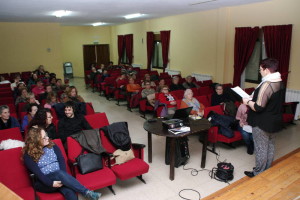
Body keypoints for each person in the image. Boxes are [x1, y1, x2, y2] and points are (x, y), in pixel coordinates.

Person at [23, 127, 101, 200]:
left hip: (60, 177)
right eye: (44, 138)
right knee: (59, 174)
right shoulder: (28, 155)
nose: (47, 138)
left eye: (46, 135)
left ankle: (86, 192)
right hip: (44, 183)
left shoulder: (52, 145)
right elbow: (38, 174)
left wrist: (63, 178)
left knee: (69, 191)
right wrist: (51, 183)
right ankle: (86, 192)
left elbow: (61, 160)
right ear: (36, 140)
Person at [243, 58, 285, 178]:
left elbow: (258, 107)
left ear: (266, 70)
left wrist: (247, 102)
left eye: (261, 69)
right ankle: (267, 169)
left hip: (262, 122)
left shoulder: (267, 84)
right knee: (270, 146)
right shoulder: (279, 81)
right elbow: (271, 101)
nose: (260, 71)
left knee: (261, 148)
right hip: (274, 120)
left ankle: (258, 173)